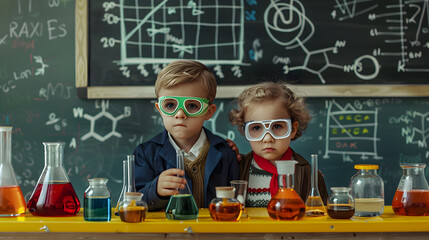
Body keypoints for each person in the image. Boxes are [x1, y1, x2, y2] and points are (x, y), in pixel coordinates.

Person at [133, 60, 240, 211]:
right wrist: (155, 189)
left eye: (192, 106)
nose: (180, 114)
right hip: (165, 234)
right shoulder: (145, 153)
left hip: (216, 233)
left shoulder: (225, 153)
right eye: (170, 105)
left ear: (208, 112)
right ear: (159, 109)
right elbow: (132, 202)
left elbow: (238, 199)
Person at [229, 81, 328, 207]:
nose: (268, 138)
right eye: (256, 128)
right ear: (245, 132)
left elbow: (321, 221)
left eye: (277, 126)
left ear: (292, 129)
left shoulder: (309, 175)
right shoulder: (237, 169)